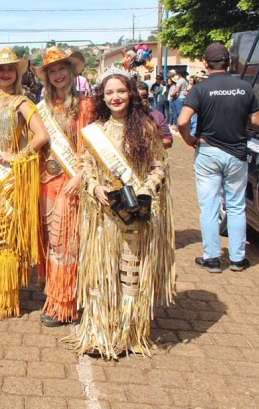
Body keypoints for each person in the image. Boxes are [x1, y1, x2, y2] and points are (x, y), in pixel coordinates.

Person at [68, 68, 175, 359]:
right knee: (102, 275)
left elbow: (158, 166)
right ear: (102, 97)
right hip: (104, 216)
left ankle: (127, 335)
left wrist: (146, 190)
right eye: (109, 92)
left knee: (129, 276)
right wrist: (94, 188)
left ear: (131, 93)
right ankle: (99, 334)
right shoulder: (96, 130)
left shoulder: (146, 127)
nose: (115, 97)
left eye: (121, 91)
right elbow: (86, 166)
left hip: (134, 215)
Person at [0, 47, 49, 320]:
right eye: (0, 70)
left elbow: (40, 136)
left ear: (17, 73)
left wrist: (18, 156)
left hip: (10, 180)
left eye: (10, 69)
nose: (5, 74)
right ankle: (1, 294)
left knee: (6, 239)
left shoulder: (22, 103)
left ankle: (6, 301)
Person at [178, 43, 259, 273]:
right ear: (229, 63)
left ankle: (212, 258)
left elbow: (183, 121)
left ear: (206, 63)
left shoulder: (200, 89)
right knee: (236, 207)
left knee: (210, 207)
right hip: (236, 153)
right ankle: (237, 259)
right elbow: (257, 122)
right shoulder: (244, 88)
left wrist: (189, 140)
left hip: (208, 152)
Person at [33, 47, 92, 327]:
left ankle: (65, 304)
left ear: (71, 71)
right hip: (45, 182)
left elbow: (91, 147)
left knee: (65, 243)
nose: (57, 75)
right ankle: (53, 294)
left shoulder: (85, 106)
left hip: (70, 182)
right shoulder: (41, 106)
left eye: (61, 69)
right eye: (51, 71)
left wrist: (80, 176)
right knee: (51, 243)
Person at [136, 82, 172, 149]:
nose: (141, 99)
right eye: (137, 97)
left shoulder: (157, 115)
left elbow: (168, 139)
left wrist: (153, 146)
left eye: (144, 96)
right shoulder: (124, 115)